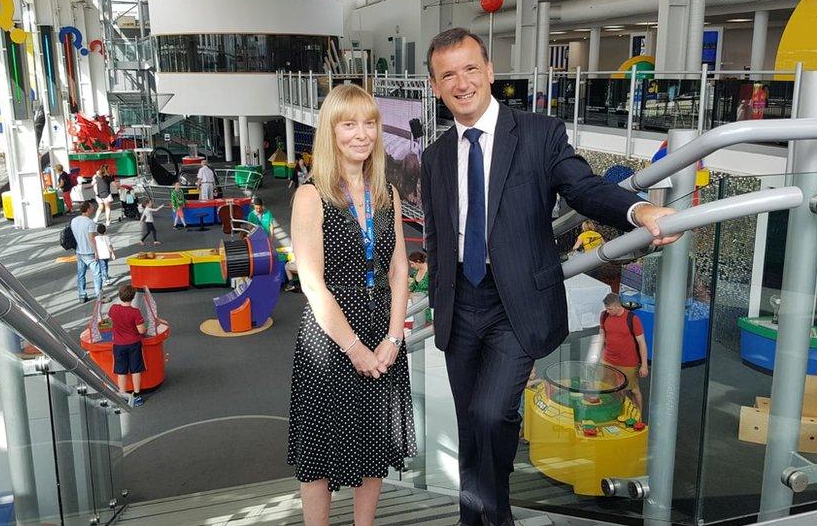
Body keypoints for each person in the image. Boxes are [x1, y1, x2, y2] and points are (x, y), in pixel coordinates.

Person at [419, 28, 679, 526]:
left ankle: (492, 519)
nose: (462, 82)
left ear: (490, 72)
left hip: (515, 303)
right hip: (459, 303)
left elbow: (583, 188)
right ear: (435, 87)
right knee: (472, 424)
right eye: (448, 74)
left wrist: (640, 210)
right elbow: (436, 235)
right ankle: (475, 518)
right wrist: (436, 296)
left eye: (471, 68)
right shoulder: (434, 157)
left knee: (493, 414)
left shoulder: (540, 133)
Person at [287, 84, 416, 525]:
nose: (362, 134)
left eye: (370, 123)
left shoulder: (388, 195)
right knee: (319, 456)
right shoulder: (311, 195)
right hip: (330, 340)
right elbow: (311, 282)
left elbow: (399, 268)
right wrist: (355, 348)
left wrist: (394, 337)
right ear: (331, 131)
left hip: (382, 333)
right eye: (349, 124)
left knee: (373, 443)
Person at [599, 293, 648, 416]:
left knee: (634, 390)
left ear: (617, 306)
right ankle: (620, 414)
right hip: (608, 360)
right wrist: (599, 354)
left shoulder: (633, 319)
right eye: (606, 308)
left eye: (610, 309)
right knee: (612, 389)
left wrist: (644, 365)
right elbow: (602, 335)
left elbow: (642, 343)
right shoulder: (604, 315)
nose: (607, 311)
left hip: (628, 363)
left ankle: (638, 416)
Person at [108, 284, 147, 406]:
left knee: (121, 371)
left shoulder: (113, 308)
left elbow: (110, 320)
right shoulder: (135, 312)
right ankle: (136, 395)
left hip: (118, 345)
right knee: (136, 370)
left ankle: (123, 394)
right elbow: (141, 330)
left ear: (120, 296)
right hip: (134, 344)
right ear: (133, 297)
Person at [71, 201, 102, 303]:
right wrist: (96, 252)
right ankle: (99, 296)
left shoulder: (74, 221)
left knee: (81, 275)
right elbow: (91, 239)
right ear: (88, 209)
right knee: (97, 274)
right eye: (92, 207)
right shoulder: (90, 222)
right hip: (89, 252)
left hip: (79, 251)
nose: (93, 209)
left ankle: (82, 295)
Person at [407, 251, 432, 324]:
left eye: (412, 264)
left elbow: (433, 289)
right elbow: (412, 286)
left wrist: (415, 294)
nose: (411, 266)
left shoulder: (431, 271)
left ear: (418, 261)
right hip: (416, 304)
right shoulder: (415, 273)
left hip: (427, 304)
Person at [94, 223, 116, 292]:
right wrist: (112, 253)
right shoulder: (107, 237)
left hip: (100, 255)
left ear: (97, 231)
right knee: (105, 266)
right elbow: (110, 246)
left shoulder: (95, 238)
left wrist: (95, 254)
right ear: (105, 231)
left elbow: (94, 247)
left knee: (103, 267)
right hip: (106, 255)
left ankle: (106, 279)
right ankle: (106, 275)